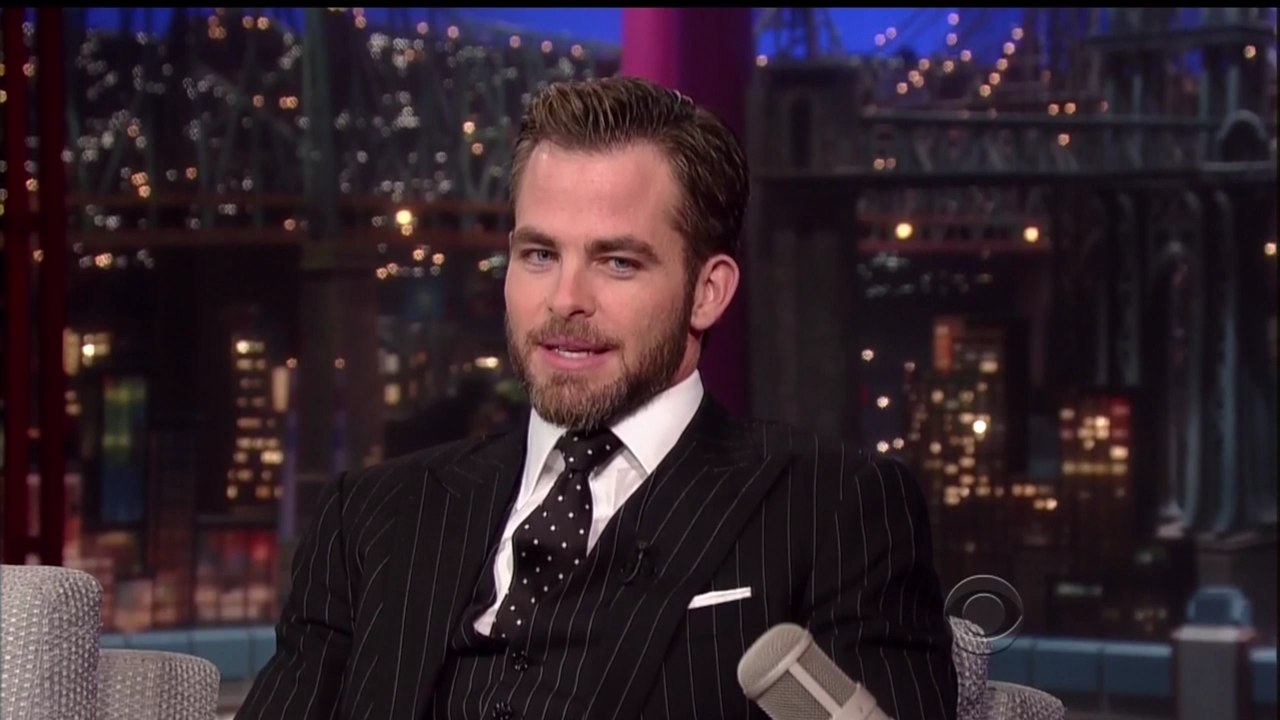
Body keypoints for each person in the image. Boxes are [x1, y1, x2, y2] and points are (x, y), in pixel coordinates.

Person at [238, 76, 959, 720]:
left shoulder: (836, 507)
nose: (565, 300)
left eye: (617, 262)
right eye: (539, 255)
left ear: (707, 292)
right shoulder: (370, 515)